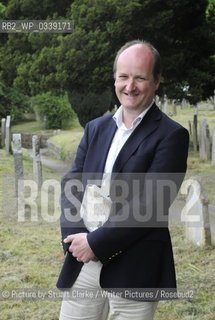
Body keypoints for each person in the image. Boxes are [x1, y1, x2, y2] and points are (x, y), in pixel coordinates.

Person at [56, 40, 189, 320]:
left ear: (156, 81)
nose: (130, 86)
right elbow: (71, 185)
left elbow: (151, 203)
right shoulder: (96, 128)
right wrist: (75, 240)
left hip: (135, 266)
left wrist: (97, 243)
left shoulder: (171, 135)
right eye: (123, 77)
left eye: (140, 77)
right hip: (83, 260)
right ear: (115, 78)